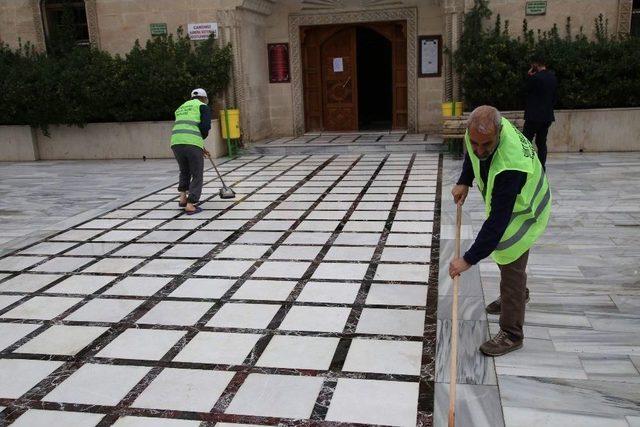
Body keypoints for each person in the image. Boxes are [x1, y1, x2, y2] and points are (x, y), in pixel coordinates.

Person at [449, 105, 551, 357]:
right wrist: (465, 180)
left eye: (486, 145)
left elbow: (497, 222)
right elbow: (472, 156)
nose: (479, 149)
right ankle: (515, 296)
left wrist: (467, 260)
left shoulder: (510, 163)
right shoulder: (477, 132)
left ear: (499, 132)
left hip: (526, 210)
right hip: (511, 205)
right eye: (474, 142)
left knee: (511, 263)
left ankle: (512, 333)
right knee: (509, 268)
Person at [170, 88, 212, 215]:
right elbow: (205, 127)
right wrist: (199, 141)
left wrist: (200, 146)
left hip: (176, 142)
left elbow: (186, 127)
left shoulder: (181, 107)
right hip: (192, 143)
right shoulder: (202, 107)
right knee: (197, 173)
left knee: (184, 170)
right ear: (204, 98)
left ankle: (182, 198)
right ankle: (190, 204)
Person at [523, 55, 557, 170]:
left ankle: (527, 165)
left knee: (526, 141)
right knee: (541, 143)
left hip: (533, 116)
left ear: (535, 64)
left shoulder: (534, 78)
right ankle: (541, 167)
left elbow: (525, 91)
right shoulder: (552, 77)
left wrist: (529, 77)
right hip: (547, 116)